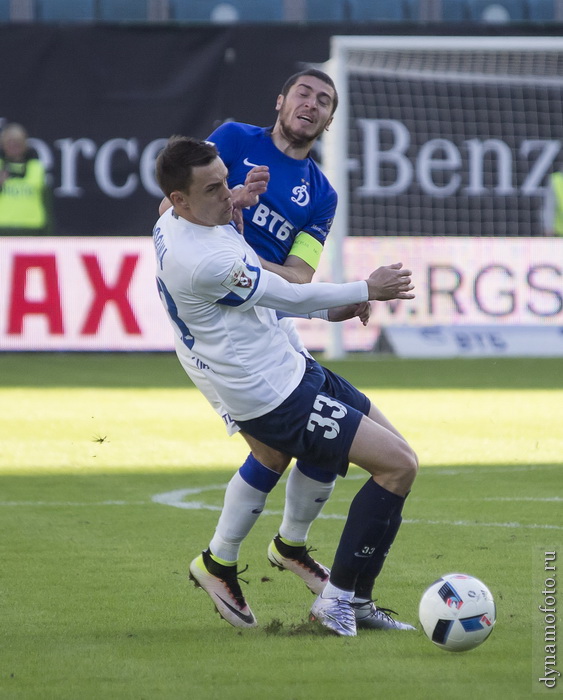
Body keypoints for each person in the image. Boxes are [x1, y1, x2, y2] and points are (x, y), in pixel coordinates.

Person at [153, 136, 419, 636]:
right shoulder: (205, 261)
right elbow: (286, 292)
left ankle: (330, 583)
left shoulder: (175, 219)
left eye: (225, 180)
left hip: (289, 363)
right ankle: (339, 601)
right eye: (213, 189)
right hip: (272, 395)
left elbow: (277, 300)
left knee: (397, 456)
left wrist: (234, 202)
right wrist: (366, 289)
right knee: (398, 467)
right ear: (180, 201)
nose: (227, 194)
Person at [0, 122, 52, 235]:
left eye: (17, 142)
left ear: (25, 144)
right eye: (10, 142)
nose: (14, 146)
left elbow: (47, 202)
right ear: (3, 144)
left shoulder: (37, 167)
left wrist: (50, 232)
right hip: (3, 228)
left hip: (32, 228)